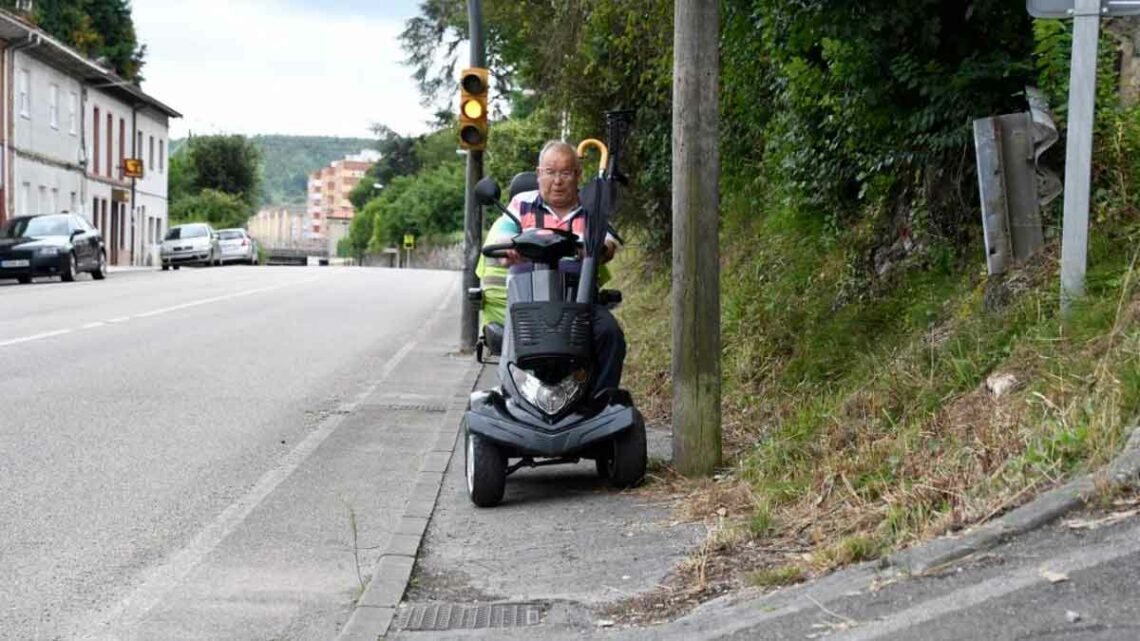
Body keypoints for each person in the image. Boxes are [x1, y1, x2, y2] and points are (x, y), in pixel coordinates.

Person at [483, 139, 626, 394]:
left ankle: (600, 401)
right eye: (550, 172)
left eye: (565, 172)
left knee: (610, 334)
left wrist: (594, 248)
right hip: (528, 298)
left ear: (578, 175)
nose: (557, 181)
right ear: (539, 174)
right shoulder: (520, 205)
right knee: (515, 340)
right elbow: (499, 240)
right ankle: (514, 398)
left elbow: (608, 243)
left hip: (578, 300)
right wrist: (513, 246)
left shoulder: (592, 208)